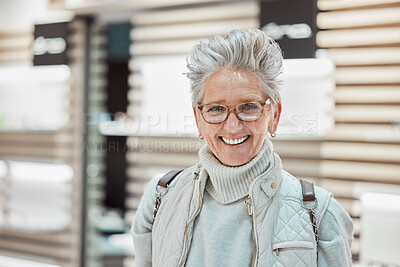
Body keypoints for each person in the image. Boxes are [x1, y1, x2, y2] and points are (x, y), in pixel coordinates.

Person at [131, 29, 353, 267]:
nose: (233, 125)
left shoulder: (320, 213)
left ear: (274, 115)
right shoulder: (160, 197)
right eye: (216, 109)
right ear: (198, 119)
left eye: (248, 107)